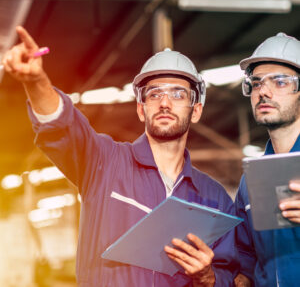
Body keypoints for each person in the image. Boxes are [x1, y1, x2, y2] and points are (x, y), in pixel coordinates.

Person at [3, 26, 239, 287]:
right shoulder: (104, 162)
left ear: (195, 111)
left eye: (178, 94)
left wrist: (208, 277)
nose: (164, 102)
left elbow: (231, 273)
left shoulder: (215, 199)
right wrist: (36, 82)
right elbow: (64, 127)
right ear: (141, 109)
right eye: (154, 93)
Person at [234, 32, 300, 287]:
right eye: (257, 82)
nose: (264, 92)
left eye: (280, 82)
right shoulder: (249, 181)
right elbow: (247, 260)